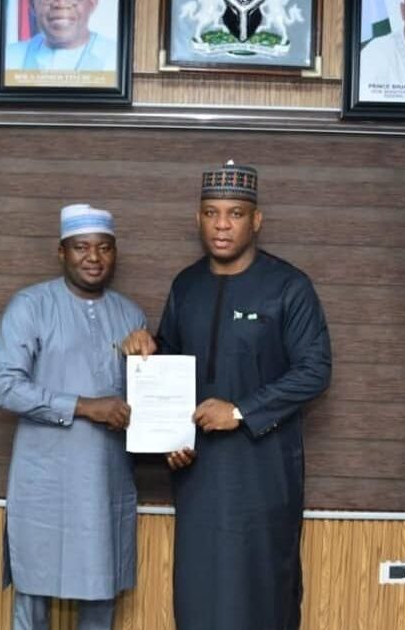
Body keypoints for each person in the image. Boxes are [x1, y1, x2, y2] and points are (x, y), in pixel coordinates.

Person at [121, 162, 333, 630]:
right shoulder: (186, 285)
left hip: (264, 472)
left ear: (255, 220)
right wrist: (147, 350)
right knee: (200, 592)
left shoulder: (288, 287)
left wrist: (239, 411)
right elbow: (171, 363)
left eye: (235, 214)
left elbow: (315, 371)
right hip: (198, 474)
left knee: (262, 590)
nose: (221, 225)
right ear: (197, 218)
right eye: (211, 213)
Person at [0, 203, 146, 630]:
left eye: (104, 248)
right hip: (45, 484)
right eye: (81, 247)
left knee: (101, 592)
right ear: (61, 252)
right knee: (33, 596)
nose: (93, 257)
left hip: (105, 482)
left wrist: (147, 362)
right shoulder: (30, 306)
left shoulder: (131, 315)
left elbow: (140, 403)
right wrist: (85, 406)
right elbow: (4, 387)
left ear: (115, 253)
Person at [5, 0, 117, 72]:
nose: (61, 4)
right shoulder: (8, 57)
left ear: (92, 3)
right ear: (32, 5)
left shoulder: (116, 58)